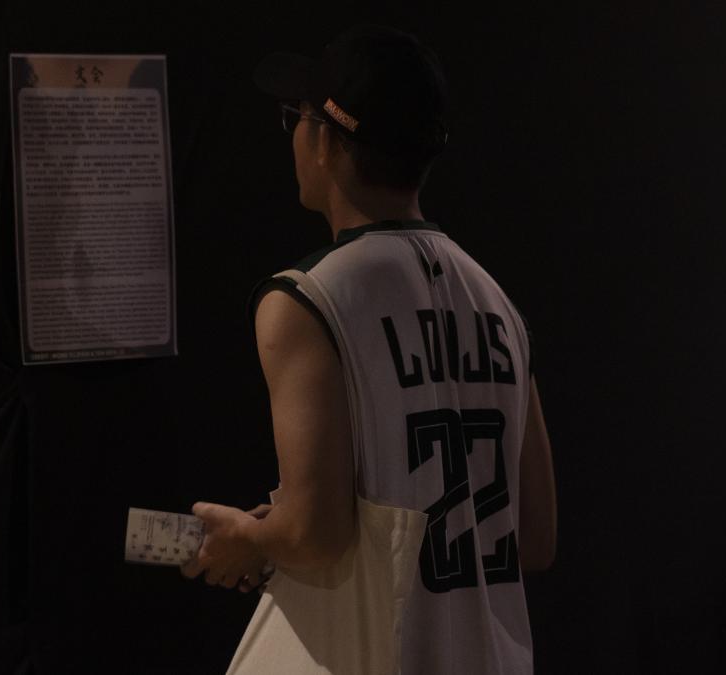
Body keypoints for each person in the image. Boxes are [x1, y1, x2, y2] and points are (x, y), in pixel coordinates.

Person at [182, 24, 557, 674]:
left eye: (296, 117)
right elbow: (536, 537)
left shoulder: (307, 298)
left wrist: (251, 538)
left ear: (328, 140)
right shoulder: (497, 303)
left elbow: (315, 534)